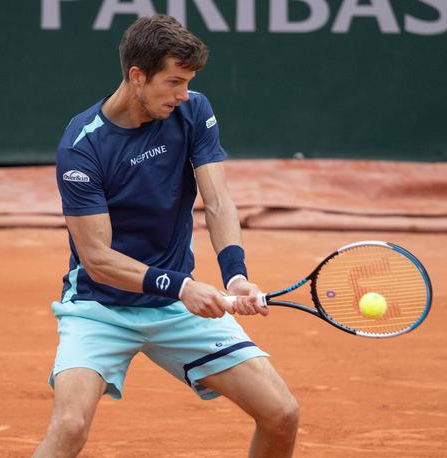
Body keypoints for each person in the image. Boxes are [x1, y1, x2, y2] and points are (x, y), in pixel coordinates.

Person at [32, 14, 299, 458]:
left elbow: (217, 201)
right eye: (174, 82)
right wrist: (183, 285)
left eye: (188, 82)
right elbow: (97, 258)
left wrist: (235, 276)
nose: (183, 94)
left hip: (176, 308)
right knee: (70, 427)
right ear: (137, 77)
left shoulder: (193, 109)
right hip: (100, 309)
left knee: (282, 414)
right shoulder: (83, 146)